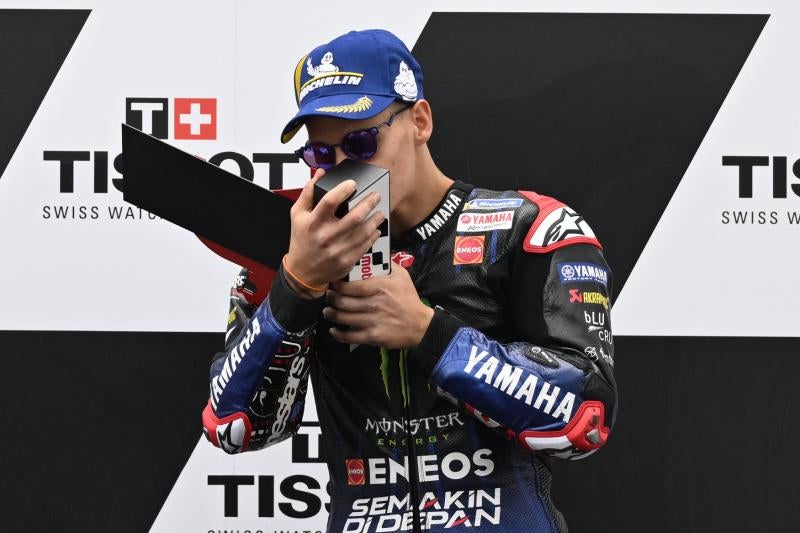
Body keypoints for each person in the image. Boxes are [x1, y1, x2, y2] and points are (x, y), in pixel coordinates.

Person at [202, 29, 617, 533]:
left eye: (360, 142)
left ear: (420, 121)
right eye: (321, 154)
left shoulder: (528, 228)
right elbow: (236, 428)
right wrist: (297, 286)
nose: (343, 168)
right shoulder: (296, 253)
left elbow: (586, 417)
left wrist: (428, 332)